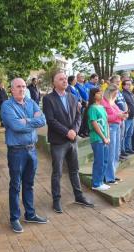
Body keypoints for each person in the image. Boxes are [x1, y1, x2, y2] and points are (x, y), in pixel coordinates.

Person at [43, 71, 94, 213]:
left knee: (74, 170)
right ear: (54, 82)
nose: (64, 81)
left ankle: (79, 196)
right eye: (61, 79)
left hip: (72, 141)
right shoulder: (48, 99)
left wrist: (75, 131)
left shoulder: (72, 97)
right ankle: (56, 200)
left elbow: (78, 116)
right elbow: (51, 120)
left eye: (65, 79)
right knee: (57, 172)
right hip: (58, 141)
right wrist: (67, 132)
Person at [1, 78, 47, 233]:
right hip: (16, 151)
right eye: (18, 87)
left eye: (23, 86)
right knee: (15, 185)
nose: (21, 89)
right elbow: (15, 126)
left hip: (32, 150)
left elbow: (43, 120)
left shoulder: (31, 102)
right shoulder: (7, 105)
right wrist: (32, 121)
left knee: (29, 183)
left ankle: (30, 214)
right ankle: (14, 218)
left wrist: (26, 121)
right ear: (12, 90)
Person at [101, 84, 126, 184]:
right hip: (110, 128)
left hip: (117, 127)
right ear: (110, 92)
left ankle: (112, 174)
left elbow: (118, 112)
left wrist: (123, 114)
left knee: (116, 153)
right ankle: (108, 177)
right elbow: (105, 117)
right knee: (110, 153)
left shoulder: (113, 102)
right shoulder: (104, 102)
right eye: (115, 93)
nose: (116, 95)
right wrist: (118, 115)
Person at [88, 87, 110, 191]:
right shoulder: (92, 108)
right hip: (97, 138)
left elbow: (106, 123)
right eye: (98, 93)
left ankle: (101, 181)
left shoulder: (102, 107)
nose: (101, 94)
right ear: (93, 95)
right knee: (99, 161)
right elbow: (94, 123)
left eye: (101, 92)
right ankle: (96, 183)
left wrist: (108, 137)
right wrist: (103, 137)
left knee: (105, 160)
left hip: (104, 138)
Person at [122, 79, 134, 154]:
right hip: (127, 117)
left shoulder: (131, 93)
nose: (129, 85)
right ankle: (123, 150)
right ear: (123, 85)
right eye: (127, 84)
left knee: (130, 134)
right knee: (124, 134)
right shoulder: (123, 94)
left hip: (132, 117)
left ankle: (128, 148)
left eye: (130, 84)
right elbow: (124, 105)